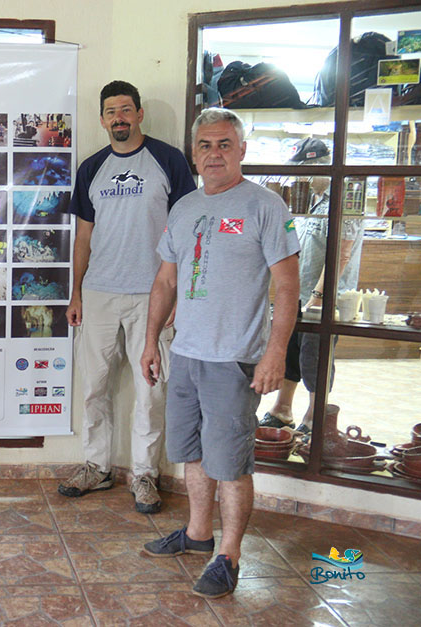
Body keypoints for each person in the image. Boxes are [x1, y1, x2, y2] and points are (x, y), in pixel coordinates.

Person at [140, 107, 300, 598]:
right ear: (194, 152)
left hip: (235, 358)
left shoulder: (264, 206)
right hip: (186, 351)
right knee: (191, 453)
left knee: (230, 461)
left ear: (242, 150)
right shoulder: (184, 208)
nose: (214, 153)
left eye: (224, 144)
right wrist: (150, 341)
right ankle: (196, 534)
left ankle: (228, 555)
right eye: (205, 145)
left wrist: (276, 353)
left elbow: (288, 286)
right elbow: (166, 278)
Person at [57, 81, 195, 513]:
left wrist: (177, 296)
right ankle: (96, 468)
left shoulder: (169, 161)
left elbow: (187, 229)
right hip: (98, 293)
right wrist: (76, 291)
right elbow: (83, 236)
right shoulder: (90, 168)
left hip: (152, 294)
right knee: (93, 388)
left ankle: (145, 476)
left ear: (138, 114)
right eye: (111, 111)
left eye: (126, 109)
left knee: (149, 390)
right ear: (102, 119)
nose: (119, 117)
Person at [258, 138, 364, 438]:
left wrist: (319, 296)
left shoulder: (342, 198)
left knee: (314, 357)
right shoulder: (306, 199)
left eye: (305, 169)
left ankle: (316, 416)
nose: (299, 176)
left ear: (319, 166)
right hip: (299, 292)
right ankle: (283, 409)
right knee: (291, 349)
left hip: (324, 296)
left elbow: (341, 254)